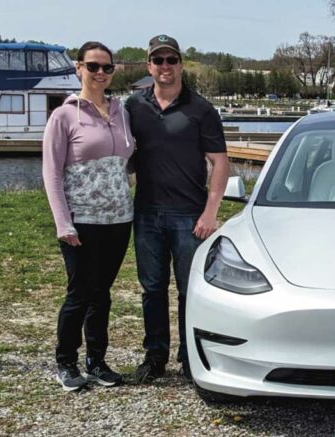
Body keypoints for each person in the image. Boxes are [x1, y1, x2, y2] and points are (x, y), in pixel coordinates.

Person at [125, 35, 230, 383]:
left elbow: (219, 162)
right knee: (152, 289)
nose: (165, 67)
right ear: (149, 66)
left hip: (189, 216)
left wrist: (210, 211)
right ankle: (155, 357)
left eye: (171, 60)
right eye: (158, 61)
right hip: (147, 214)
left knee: (189, 290)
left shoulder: (201, 109)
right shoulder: (133, 107)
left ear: (181, 63)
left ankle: (189, 358)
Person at [42, 41, 134, 391]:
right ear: (78, 68)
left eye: (106, 68)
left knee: (103, 292)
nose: (100, 73)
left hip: (118, 220)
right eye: (92, 66)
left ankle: (97, 360)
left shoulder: (121, 112)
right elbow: (51, 174)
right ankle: (66, 362)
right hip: (81, 221)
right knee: (79, 292)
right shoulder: (64, 115)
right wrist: (63, 223)